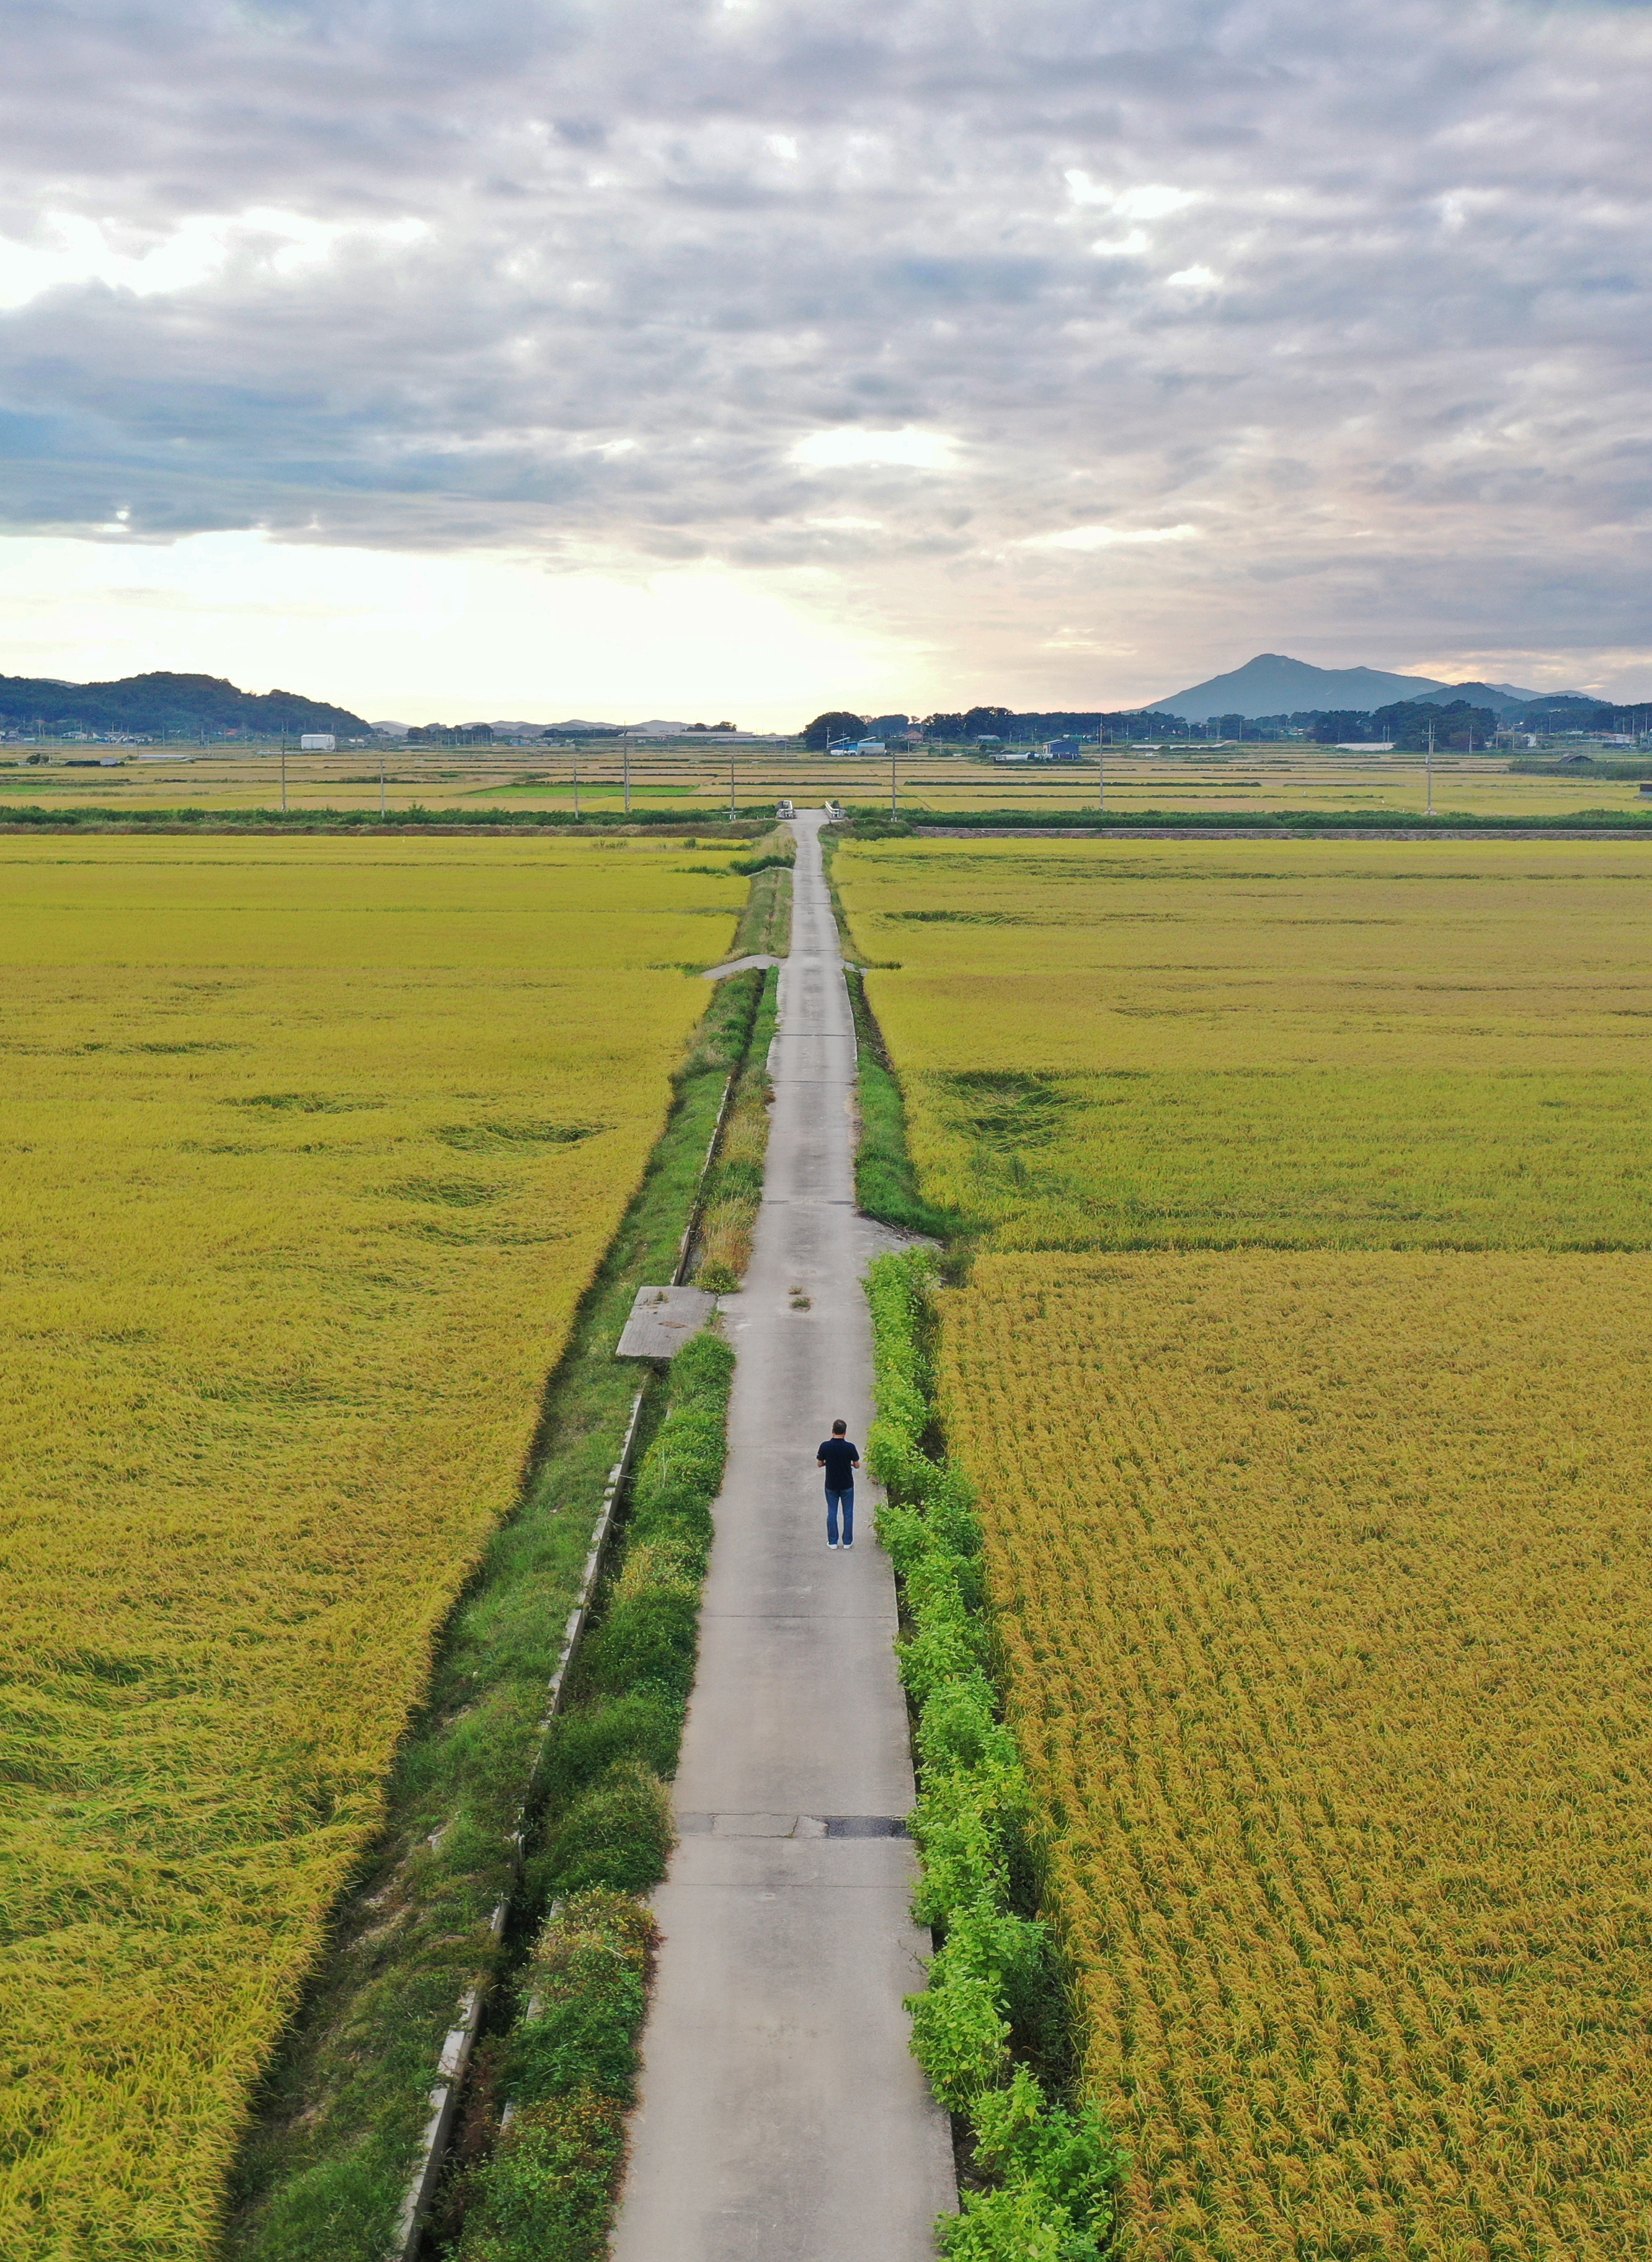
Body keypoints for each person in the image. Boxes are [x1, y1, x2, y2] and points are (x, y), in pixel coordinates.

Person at [816, 1419, 860, 1550]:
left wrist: (827, 1463)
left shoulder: (825, 1446)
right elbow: (857, 1465)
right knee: (848, 1513)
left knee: (832, 1512)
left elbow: (819, 1464)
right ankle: (847, 1542)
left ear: (833, 1431)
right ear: (845, 1433)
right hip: (847, 1484)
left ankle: (833, 1542)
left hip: (831, 1484)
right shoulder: (850, 1447)